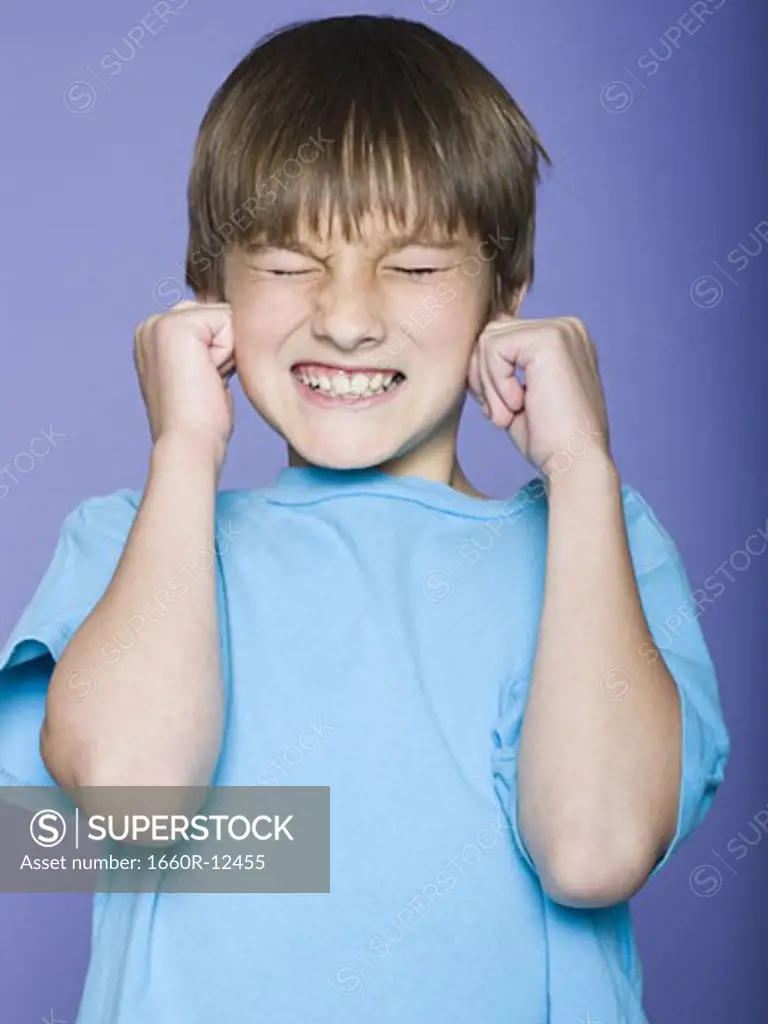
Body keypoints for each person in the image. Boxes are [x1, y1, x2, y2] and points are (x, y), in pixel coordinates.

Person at [0, 14, 729, 1023]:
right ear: (207, 296)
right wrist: (184, 451)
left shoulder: (591, 544)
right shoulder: (126, 544)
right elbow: (134, 795)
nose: (346, 317)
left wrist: (583, 467)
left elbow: (594, 849)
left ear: (506, 297)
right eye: (289, 264)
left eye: (418, 267)